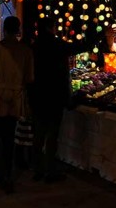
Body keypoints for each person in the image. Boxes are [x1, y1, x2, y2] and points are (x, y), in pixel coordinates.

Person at [31, 17, 97, 183]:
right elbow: (79, 47)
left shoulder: (34, 45)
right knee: (52, 134)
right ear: (50, 27)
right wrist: (93, 32)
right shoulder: (55, 44)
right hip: (54, 94)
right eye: (54, 26)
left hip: (37, 94)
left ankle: (38, 169)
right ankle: (50, 171)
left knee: (38, 134)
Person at [0, 16, 33, 194]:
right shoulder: (25, 50)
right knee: (9, 137)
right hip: (15, 99)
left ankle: (1, 173)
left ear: (4, 29)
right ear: (18, 29)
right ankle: (8, 174)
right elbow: (29, 77)